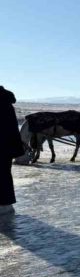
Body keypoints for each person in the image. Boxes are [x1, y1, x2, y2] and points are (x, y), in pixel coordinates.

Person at [1, 86, 25, 215]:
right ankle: (6, 204)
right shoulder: (6, 103)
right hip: (7, 148)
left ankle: (4, 205)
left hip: (3, 147)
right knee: (5, 174)